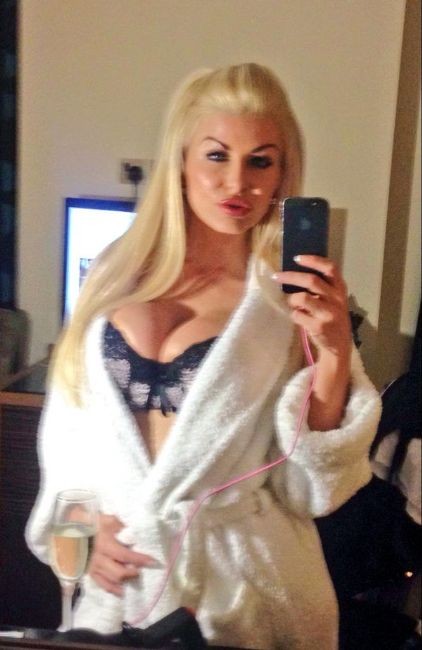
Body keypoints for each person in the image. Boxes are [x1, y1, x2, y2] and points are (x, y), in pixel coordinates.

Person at [26, 63, 382, 649]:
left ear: (282, 174)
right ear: (182, 162)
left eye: (260, 162)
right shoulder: (111, 276)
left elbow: (309, 488)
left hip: (245, 600)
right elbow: (68, 444)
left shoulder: (282, 303)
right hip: (121, 592)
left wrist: (335, 354)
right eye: (217, 156)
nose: (236, 183)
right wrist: (81, 528)